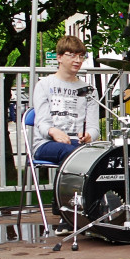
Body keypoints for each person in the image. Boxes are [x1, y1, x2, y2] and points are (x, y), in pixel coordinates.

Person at [31, 35, 99, 165]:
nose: (78, 60)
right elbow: (42, 123)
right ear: (59, 57)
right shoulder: (44, 84)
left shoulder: (89, 90)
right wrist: (53, 131)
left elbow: (94, 127)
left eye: (81, 56)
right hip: (46, 143)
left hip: (78, 143)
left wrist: (89, 135)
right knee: (74, 153)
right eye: (72, 55)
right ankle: (67, 186)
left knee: (101, 155)